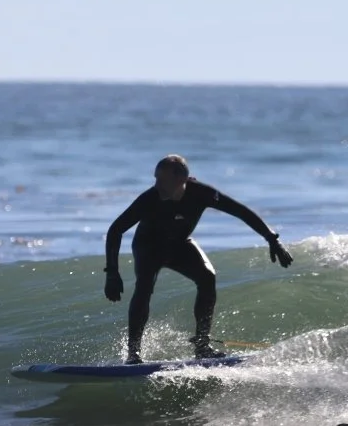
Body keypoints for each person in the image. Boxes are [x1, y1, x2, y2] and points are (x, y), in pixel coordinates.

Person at [104, 155, 293, 363]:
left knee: (207, 277)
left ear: (180, 180)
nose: (156, 185)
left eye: (162, 180)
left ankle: (202, 346)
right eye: (156, 179)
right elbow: (116, 230)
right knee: (144, 286)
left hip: (180, 245)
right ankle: (133, 354)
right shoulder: (149, 199)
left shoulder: (202, 194)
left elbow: (241, 211)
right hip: (149, 247)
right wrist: (112, 272)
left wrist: (272, 239)